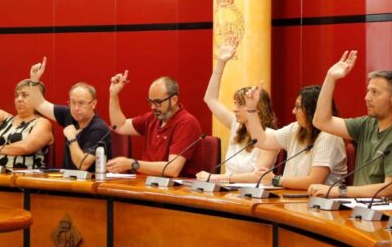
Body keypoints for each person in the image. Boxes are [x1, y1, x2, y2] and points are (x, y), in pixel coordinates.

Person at [308, 50, 392, 199]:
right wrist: (330, 78)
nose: (366, 98)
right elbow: (321, 121)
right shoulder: (367, 124)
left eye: (374, 92)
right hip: (358, 207)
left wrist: (340, 191)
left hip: (387, 214)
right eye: (368, 91)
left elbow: (391, 189)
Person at [195, 38, 279, 184]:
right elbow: (210, 99)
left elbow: (258, 176)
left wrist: (218, 177)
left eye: (240, 105)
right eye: (235, 104)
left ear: (257, 107)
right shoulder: (237, 125)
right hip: (227, 193)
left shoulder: (270, 137)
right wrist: (221, 63)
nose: (234, 109)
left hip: (251, 197)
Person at [106, 70, 202, 177]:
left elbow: (172, 169)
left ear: (174, 99)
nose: (153, 107)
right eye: (150, 102)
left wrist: (133, 164)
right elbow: (120, 126)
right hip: (146, 183)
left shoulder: (186, 123)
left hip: (173, 189)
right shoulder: (152, 118)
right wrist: (113, 95)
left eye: (158, 102)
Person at [26, 57, 112, 170]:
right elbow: (39, 104)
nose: (76, 108)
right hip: (67, 181)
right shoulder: (68, 114)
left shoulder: (99, 128)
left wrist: (71, 137)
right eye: (72, 102)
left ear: (93, 104)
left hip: (90, 184)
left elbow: (82, 164)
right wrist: (34, 80)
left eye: (81, 103)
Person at [0, 53, 52, 169]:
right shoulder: (6, 119)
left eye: (24, 95)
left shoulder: (42, 123)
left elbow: (26, 147)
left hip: (23, 182)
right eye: (17, 95)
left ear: (37, 98)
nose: (19, 99)